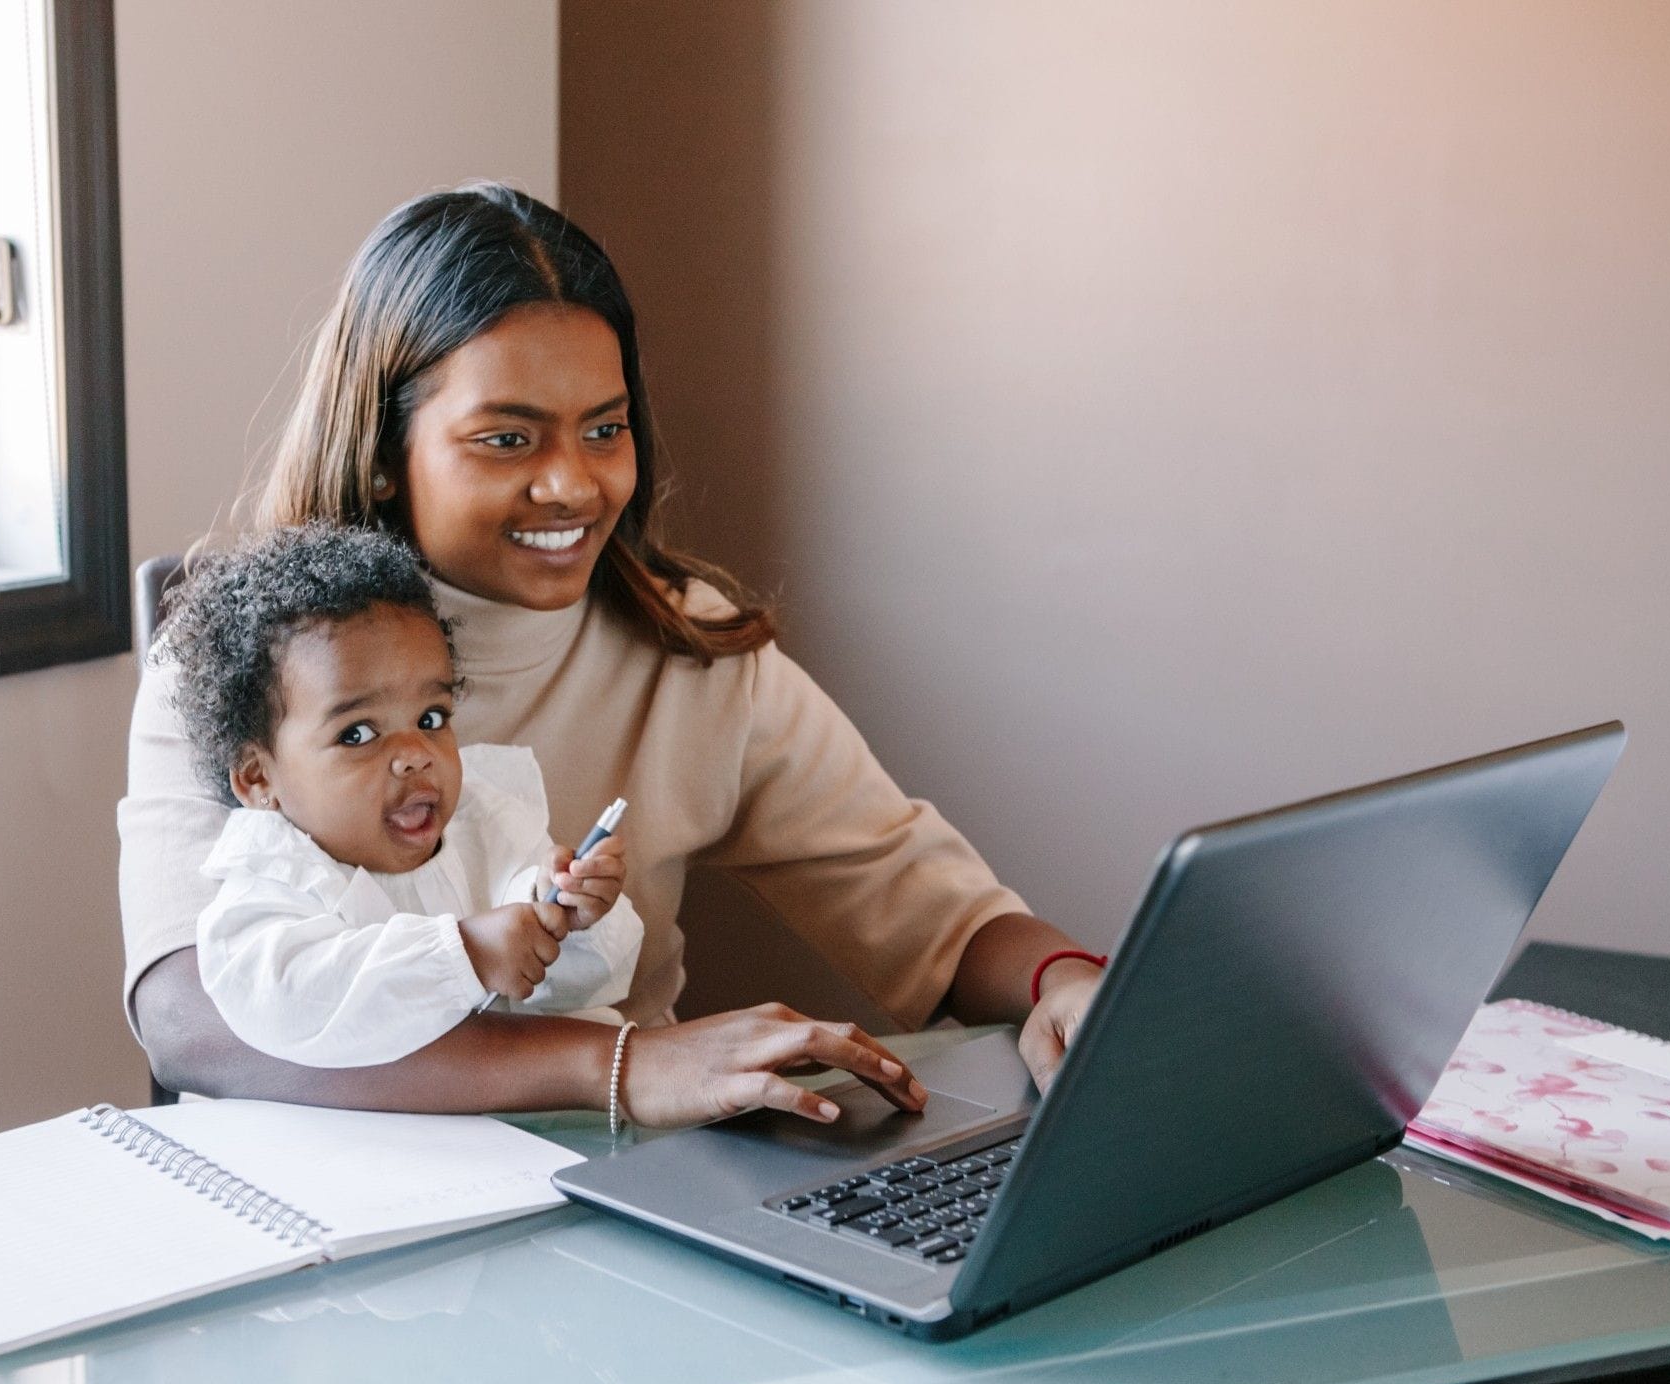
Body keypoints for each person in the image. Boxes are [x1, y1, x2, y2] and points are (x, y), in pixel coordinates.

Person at [119, 182, 1104, 1130]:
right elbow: (187, 1020)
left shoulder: (688, 649)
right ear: (384, 451)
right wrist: (615, 1063)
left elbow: (912, 893)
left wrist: (1060, 981)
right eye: (507, 439)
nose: (571, 485)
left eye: (604, 429)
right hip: (321, 1218)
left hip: (606, 1193)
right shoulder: (236, 659)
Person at [160, 521, 642, 1067]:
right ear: (258, 779)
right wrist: (465, 954)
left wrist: (569, 919)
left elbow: (576, 991)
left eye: (430, 717)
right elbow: (297, 1003)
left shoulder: (485, 825)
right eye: (358, 734)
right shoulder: (268, 885)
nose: (415, 753)